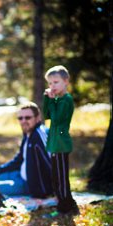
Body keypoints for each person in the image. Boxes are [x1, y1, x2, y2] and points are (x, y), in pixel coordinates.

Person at [0, 102, 53, 198]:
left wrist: (46, 191)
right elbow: (18, 160)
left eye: (28, 117)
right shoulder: (28, 133)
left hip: (28, 185)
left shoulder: (39, 135)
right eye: (20, 118)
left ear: (38, 118)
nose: (23, 121)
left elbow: (52, 164)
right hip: (19, 174)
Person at [43, 65, 79, 215]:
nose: (52, 86)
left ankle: (66, 207)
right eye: (50, 83)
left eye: (56, 82)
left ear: (66, 82)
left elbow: (56, 119)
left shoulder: (66, 100)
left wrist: (52, 101)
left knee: (62, 178)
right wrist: (47, 99)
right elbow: (46, 115)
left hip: (61, 144)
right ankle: (65, 202)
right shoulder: (56, 99)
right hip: (54, 143)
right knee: (56, 177)